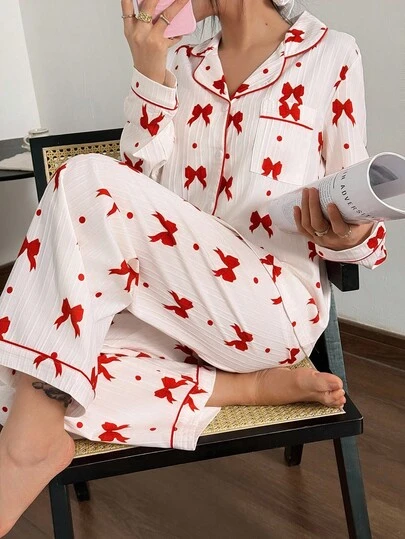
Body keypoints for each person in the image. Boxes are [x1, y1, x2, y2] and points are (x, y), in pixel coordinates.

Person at [0, 0, 387, 534]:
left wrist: (351, 234)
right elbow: (136, 195)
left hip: (268, 306)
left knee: (84, 180)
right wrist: (148, 68)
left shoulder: (331, 54)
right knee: (19, 361)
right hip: (176, 305)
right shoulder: (182, 59)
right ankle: (245, 389)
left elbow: (358, 201)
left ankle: (26, 449)